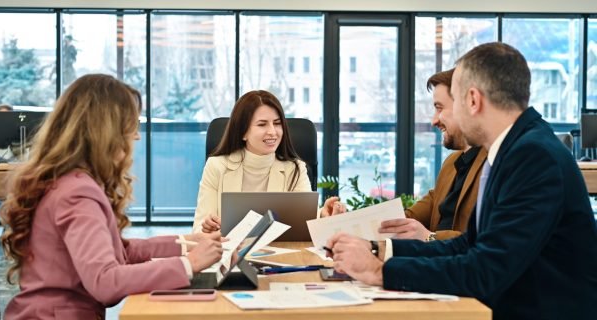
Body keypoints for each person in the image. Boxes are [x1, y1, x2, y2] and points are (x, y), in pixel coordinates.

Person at [325, 42, 597, 319]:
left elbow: (485, 270)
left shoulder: (533, 156)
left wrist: (377, 272)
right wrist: (381, 249)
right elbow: (468, 244)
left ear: (473, 100)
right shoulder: (514, 148)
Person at [0, 74, 223, 319]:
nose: (136, 137)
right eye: (130, 126)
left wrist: (189, 243)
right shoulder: (77, 192)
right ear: (105, 131)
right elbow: (105, 281)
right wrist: (189, 264)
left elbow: (120, 251)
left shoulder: (66, 182)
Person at [322, 69, 487, 241]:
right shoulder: (452, 164)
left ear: (469, 105)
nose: (434, 120)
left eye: (439, 108)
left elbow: (487, 242)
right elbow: (404, 219)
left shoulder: (494, 166)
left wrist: (429, 238)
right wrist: (344, 223)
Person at [194, 90, 341, 233]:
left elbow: (306, 221)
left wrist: (323, 215)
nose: (272, 131)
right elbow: (199, 229)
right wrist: (207, 228)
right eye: (262, 124)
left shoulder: (294, 168)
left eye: (277, 123)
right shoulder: (217, 166)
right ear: (243, 132)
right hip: (229, 253)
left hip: (278, 254)